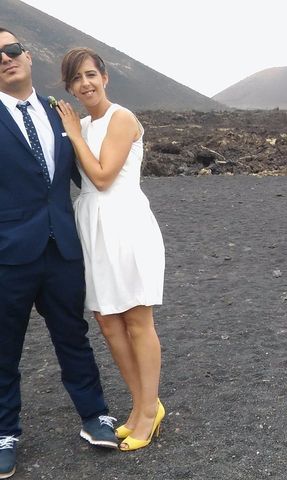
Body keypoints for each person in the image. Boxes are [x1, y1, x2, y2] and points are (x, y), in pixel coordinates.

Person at [0, 29, 119, 479]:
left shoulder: (58, 112)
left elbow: (88, 174)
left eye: (12, 50)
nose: (6, 59)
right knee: (4, 347)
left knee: (73, 336)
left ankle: (95, 416)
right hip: (8, 255)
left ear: (27, 56)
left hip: (62, 249)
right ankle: (4, 433)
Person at [55, 47, 165, 452]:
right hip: (92, 227)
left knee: (137, 319)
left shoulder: (121, 118)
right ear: (69, 86)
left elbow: (101, 177)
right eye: (76, 79)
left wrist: (75, 135)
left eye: (90, 75)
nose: (84, 84)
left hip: (124, 223)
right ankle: (141, 406)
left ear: (105, 77)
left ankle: (148, 411)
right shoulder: (83, 123)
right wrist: (76, 131)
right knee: (107, 322)